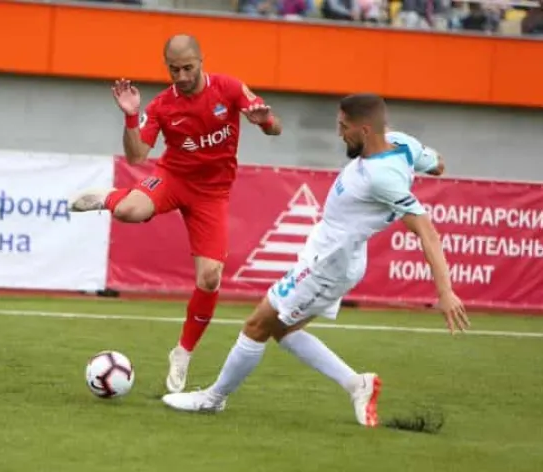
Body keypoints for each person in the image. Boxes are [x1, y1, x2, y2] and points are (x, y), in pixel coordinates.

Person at [160, 93, 469, 427]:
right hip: (329, 252)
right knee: (283, 329)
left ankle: (213, 398)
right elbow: (438, 165)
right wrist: (419, 163)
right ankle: (357, 385)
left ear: (365, 130)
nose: (339, 133)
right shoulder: (401, 143)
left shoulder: (382, 176)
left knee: (257, 325)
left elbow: (427, 232)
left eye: (344, 127)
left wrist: (445, 292)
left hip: (329, 263)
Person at [69, 34, 282, 394]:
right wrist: (131, 115)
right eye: (173, 69)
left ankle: (183, 352)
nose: (181, 76)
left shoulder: (229, 88)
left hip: (212, 194)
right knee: (129, 210)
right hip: (174, 178)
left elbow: (276, 128)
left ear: (201, 61)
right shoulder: (163, 105)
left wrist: (264, 121)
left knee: (210, 278)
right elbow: (137, 156)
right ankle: (110, 198)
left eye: (187, 68)